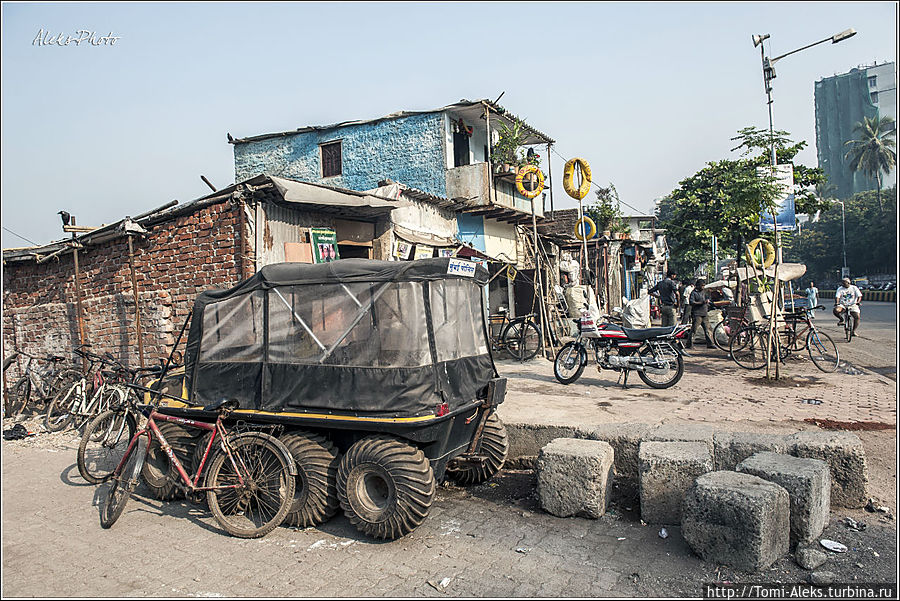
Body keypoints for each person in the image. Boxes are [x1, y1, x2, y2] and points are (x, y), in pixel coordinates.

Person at [686, 278, 714, 349]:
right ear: (698, 285)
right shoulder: (693, 293)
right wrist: (702, 303)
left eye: (704, 286)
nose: (703, 287)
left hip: (704, 313)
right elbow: (692, 302)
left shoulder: (704, 292)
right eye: (702, 285)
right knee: (694, 330)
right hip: (697, 314)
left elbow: (707, 300)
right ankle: (689, 344)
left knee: (708, 330)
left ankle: (710, 344)